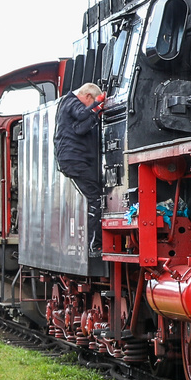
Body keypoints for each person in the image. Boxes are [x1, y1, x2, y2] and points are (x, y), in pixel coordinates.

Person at [54, 82, 106, 257]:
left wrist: (96, 114)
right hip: (74, 159)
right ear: (88, 97)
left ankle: (94, 243)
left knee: (94, 197)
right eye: (90, 101)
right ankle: (95, 244)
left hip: (71, 160)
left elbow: (80, 129)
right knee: (96, 198)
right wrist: (98, 104)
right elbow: (81, 113)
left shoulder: (66, 108)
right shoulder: (72, 102)